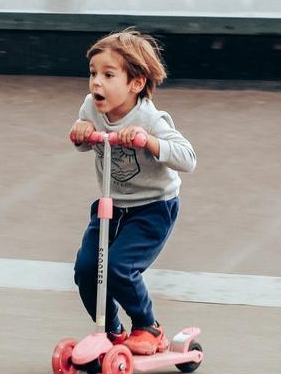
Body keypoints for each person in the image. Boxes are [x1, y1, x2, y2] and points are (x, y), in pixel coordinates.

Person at [68, 28, 197, 356]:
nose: (97, 82)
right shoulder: (92, 107)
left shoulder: (150, 118)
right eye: (93, 73)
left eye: (109, 75)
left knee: (117, 267)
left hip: (152, 207)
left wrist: (150, 142)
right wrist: (82, 132)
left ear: (136, 83)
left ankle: (149, 328)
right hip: (111, 206)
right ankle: (111, 331)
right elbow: (86, 145)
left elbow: (187, 158)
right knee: (86, 270)